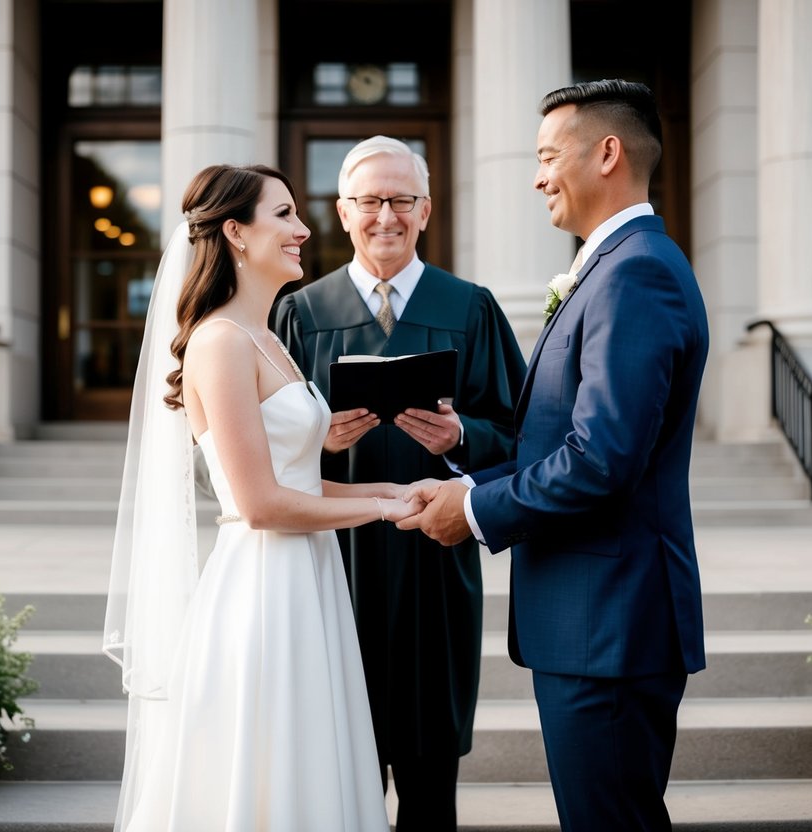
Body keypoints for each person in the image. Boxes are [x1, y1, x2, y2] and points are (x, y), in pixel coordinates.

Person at [400, 80, 709, 831]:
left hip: (609, 624)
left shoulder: (633, 274)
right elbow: (562, 444)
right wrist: (464, 479)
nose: (536, 176)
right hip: (596, 621)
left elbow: (600, 460)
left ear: (606, 153)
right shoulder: (616, 268)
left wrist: (472, 510)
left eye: (546, 156)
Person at [103, 163, 421, 831]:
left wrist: (392, 486)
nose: (303, 230)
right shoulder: (220, 343)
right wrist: (386, 507)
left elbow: (296, 481)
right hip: (262, 585)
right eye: (283, 215)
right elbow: (259, 505)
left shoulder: (267, 338)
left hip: (307, 573)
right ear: (235, 233)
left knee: (309, 758)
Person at [274, 136, 528, 830]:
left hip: (433, 557)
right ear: (342, 211)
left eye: (401, 200)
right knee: (334, 765)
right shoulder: (300, 313)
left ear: (425, 211)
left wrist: (464, 437)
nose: (385, 215)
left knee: (426, 768)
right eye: (369, 201)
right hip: (334, 560)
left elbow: (521, 435)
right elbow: (258, 446)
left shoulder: (469, 307)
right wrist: (316, 440)